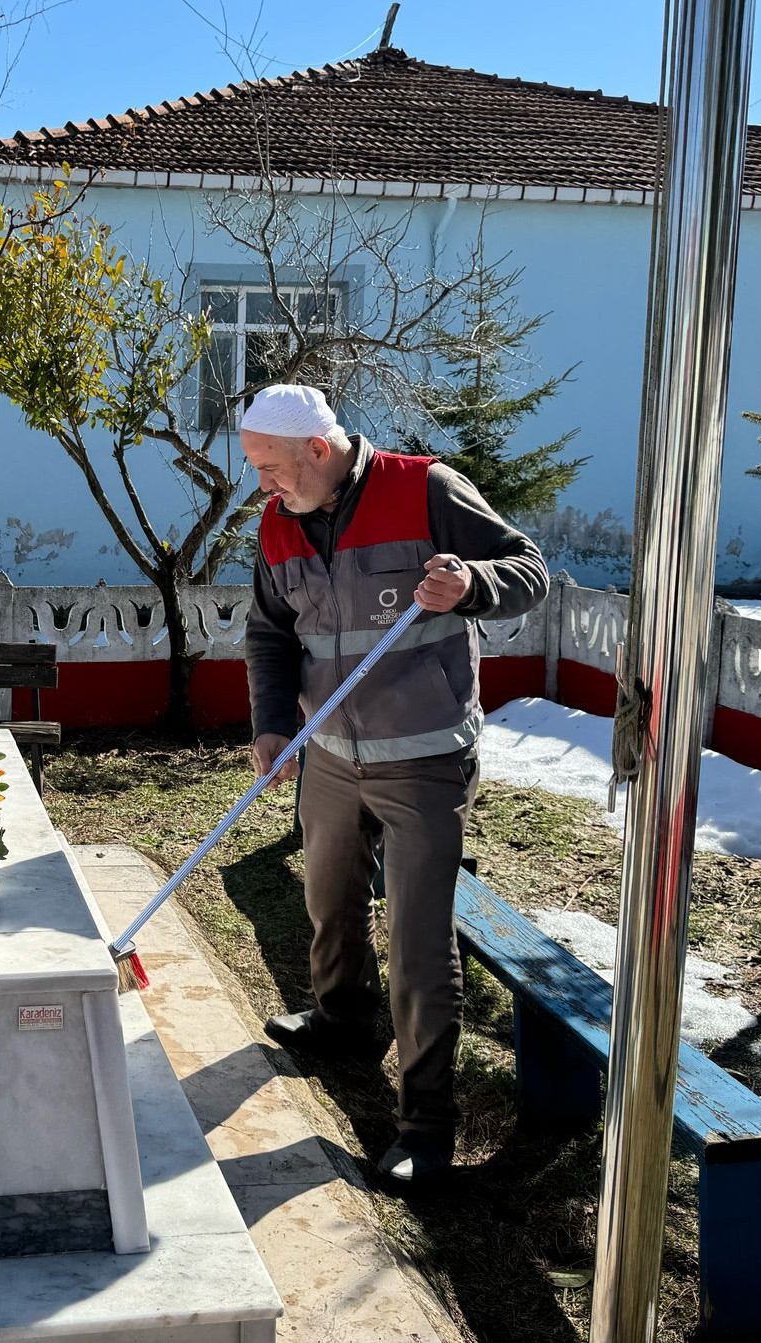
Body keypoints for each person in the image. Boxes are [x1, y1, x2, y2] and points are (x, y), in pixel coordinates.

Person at [240, 384, 548, 1189]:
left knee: (418, 939)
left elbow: (530, 569)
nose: (264, 486)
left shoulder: (426, 489)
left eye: (272, 467)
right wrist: (274, 724)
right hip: (330, 756)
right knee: (328, 899)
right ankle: (343, 1018)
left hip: (424, 761)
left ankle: (427, 1124)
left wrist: (472, 584)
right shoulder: (277, 525)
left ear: (317, 448)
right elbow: (270, 633)